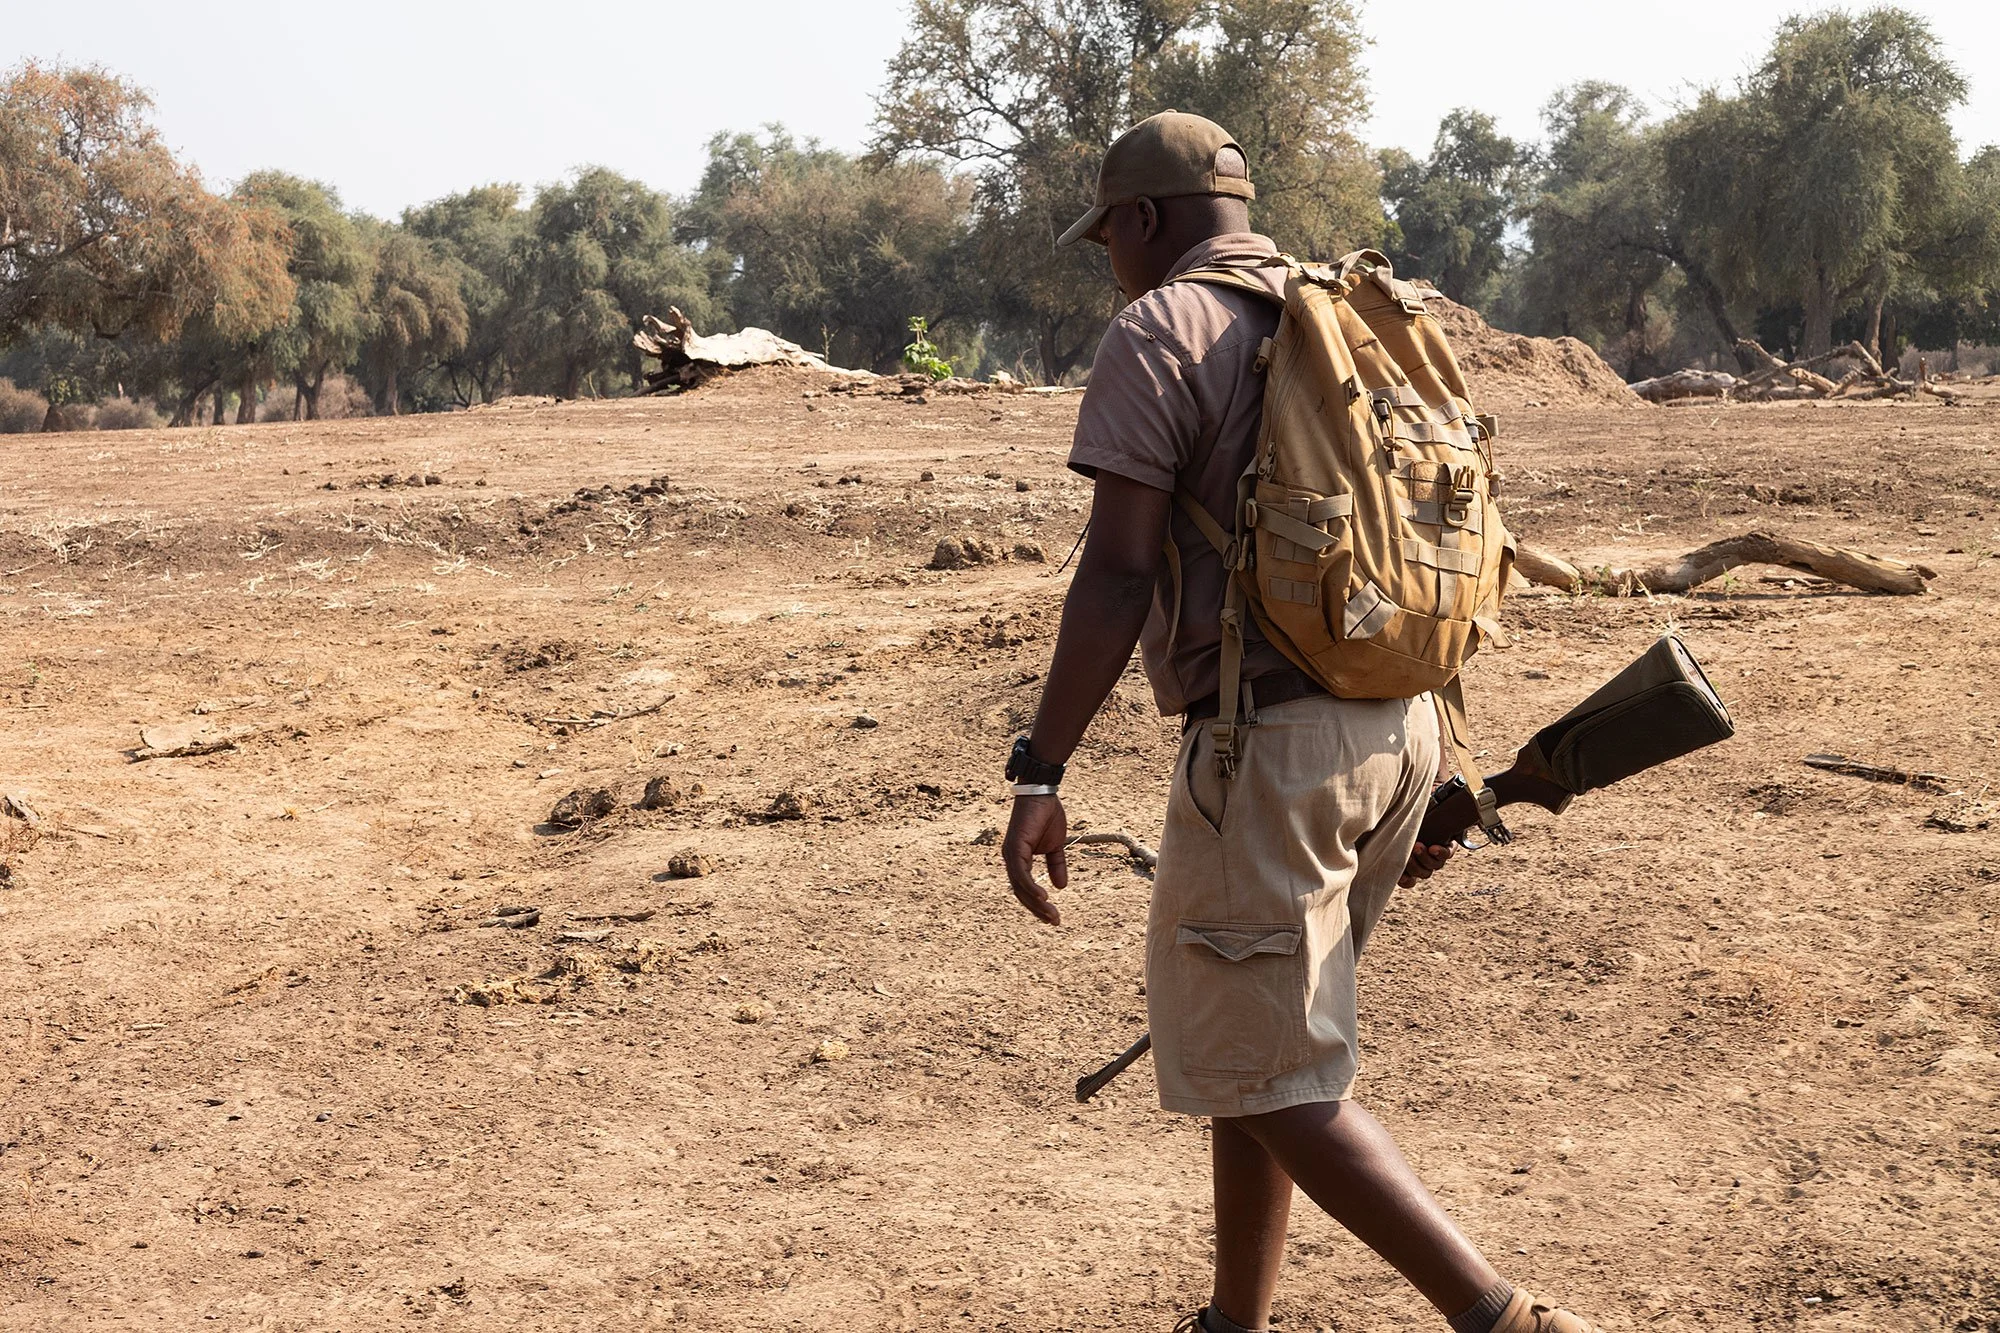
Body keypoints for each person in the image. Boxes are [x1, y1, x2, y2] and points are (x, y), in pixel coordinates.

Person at [998, 111, 1603, 1333]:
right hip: (1401, 727)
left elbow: (1116, 574)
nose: (1107, 256)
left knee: (1270, 1072)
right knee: (1253, 1050)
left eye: (1106, 232)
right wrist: (1438, 759)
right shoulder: (1354, 319)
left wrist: (1037, 768)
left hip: (1268, 752)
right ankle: (1235, 1320)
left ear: (1143, 220)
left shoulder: (1161, 327)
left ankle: (1502, 1318)